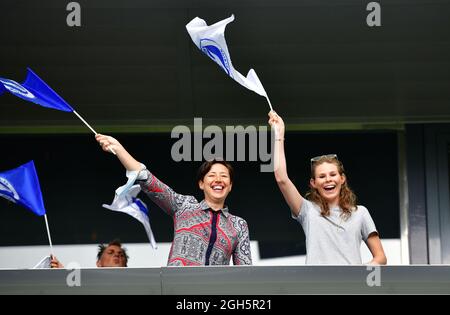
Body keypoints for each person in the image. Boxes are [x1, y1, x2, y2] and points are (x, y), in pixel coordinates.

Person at [95, 134, 252, 266]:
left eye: (224, 176)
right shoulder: (184, 206)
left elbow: (246, 272)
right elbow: (146, 178)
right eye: (211, 175)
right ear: (201, 184)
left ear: (230, 185)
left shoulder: (239, 225)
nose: (218, 180)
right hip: (177, 289)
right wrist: (119, 149)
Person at [268, 111, 387, 265]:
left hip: (349, 287)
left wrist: (357, 273)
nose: (328, 179)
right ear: (313, 183)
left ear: (342, 179)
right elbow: (281, 178)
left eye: (333, 174)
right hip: (316, 287)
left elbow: (381, 258)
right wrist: (278, 134)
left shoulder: (361, 213)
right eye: (322, 176)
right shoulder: (307, 210)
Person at [50, 239, 129, 268]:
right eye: (110, 252)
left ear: (126, 265)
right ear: (99, 263)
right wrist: (60, 273)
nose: (117, 255)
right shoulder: (84, 283)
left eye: (121, 255)